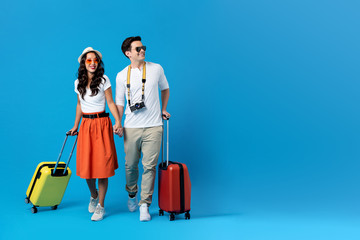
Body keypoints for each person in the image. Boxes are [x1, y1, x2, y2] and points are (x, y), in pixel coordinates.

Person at [115, 36, 170, 221]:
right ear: (128, 53)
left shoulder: (156, 68)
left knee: (149, 167)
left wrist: (163, 109)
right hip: (131, 127)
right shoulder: (122, 75)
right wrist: (118, 122)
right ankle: (132, 194)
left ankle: (144, 205)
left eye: (143, 47)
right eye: (137, 49)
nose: (142, 51)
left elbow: (165, 89)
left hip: (154, 125)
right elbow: (120, 103)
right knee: (130, 166)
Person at [69, 47, 121, 221]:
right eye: (88, 60)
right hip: (86, 126)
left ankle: (101, 205)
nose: (92, 63)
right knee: (87, 168)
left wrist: (118, 121)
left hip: (102, 125)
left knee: (103, 168)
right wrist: (75, 126)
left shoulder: (104, 80)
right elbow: (79, 106)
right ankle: (93, 195)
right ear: (84, 63)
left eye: (95, 60)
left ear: (98, 63)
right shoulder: (78, 83)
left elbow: (111, 102)